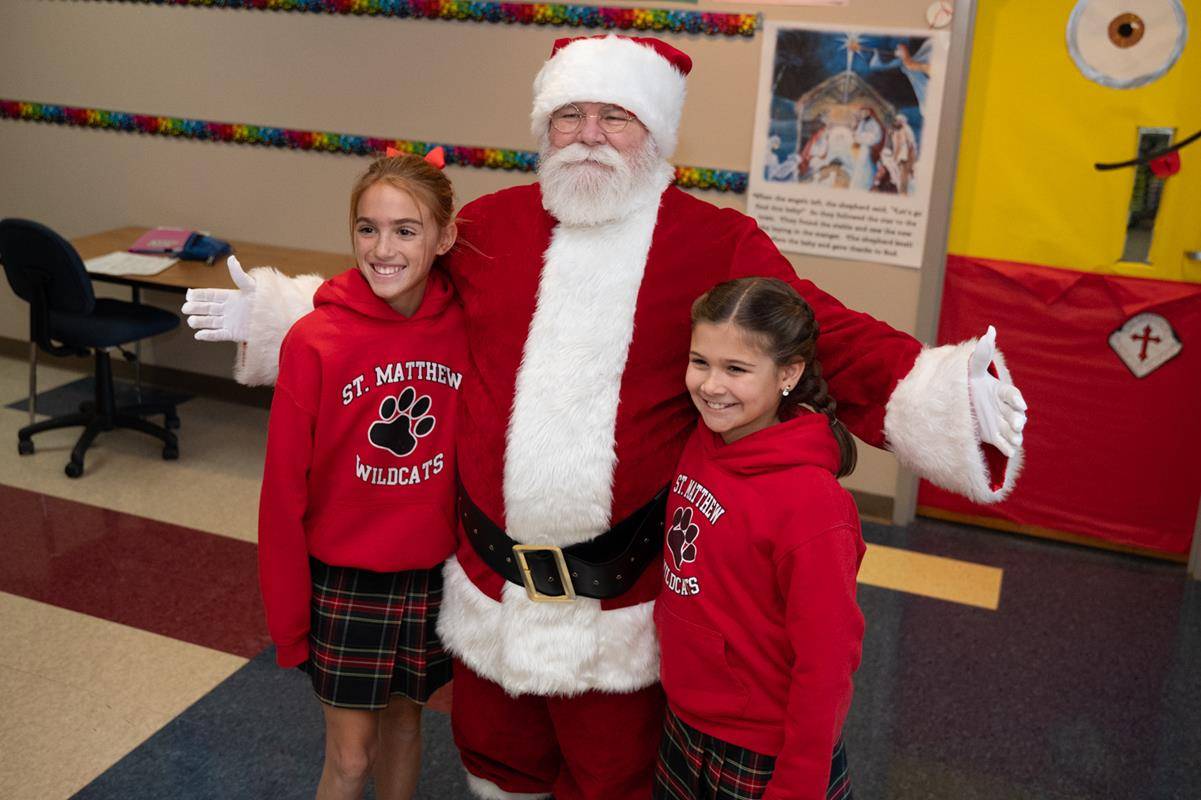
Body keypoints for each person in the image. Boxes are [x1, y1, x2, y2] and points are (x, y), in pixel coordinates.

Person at [183, 35, 1026, 800]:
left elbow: (817, 330)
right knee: (494, 759)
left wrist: (932, 389)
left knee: (612, 774)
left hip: (619, 599)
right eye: (569, 115)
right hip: (485, 579)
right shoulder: (488, 226)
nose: (588, 134)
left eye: (615, 116)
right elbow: (395, 294)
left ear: (655, 134)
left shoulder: (712, 240)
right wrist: (286, 315)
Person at [256, 151, 463, 800]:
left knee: (406, 732)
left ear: (443, 238)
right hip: (345, 578)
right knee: (350, 758)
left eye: (406, 229)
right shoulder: (313, 341)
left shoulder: (466, 328)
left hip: (430, 573)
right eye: (367, 228)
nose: (383, 248)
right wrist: (289, 619)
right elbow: (282, 494)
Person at [655, 277, 862, 800]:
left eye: (737, 369)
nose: (711, 385)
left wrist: (799, 783)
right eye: (700, 361)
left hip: (764, 751)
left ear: (789, 373)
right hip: (685, 719)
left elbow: (828, 665)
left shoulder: (814, 504)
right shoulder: (703, 440)